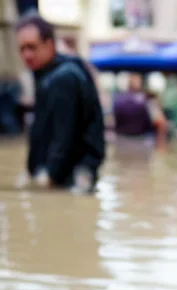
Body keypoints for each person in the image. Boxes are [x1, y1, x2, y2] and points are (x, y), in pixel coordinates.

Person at [15, 13, 105, 194]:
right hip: (63, 176)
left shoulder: (64, 77)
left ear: (49, 44)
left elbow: (64, 134)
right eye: (22, 49)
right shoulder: (49, 75)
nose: (26, 54)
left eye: (32, 47)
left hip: (71, 177)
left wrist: (49, 174)